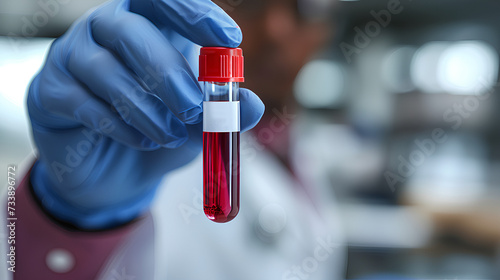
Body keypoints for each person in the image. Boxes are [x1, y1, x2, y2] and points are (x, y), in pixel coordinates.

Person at [3, 0, 345, 279]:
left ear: (324, 29)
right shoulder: (147, 132)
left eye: (303, 8)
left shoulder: (307, 150)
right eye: (251, 2)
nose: (275, 30)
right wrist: (68, 221)